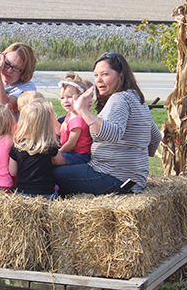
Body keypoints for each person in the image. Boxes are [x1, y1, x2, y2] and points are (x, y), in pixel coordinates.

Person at [53, 52, 162, 195]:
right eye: (96, 75)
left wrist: (82, 110)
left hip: (112, 176)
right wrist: (134, 159)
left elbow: (113, 134)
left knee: (47, 173)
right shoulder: (137, 98)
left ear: (121, 75)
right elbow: (156, 137)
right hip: (134, 180)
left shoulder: (119, 99)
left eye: (105, 74)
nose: (98, 80)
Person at [9, 101, 60, 199]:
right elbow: (60, 162)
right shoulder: (49, 145)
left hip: (22, 194)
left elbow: (13, 172)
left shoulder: (18, 145)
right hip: (46, 194)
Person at [53, 72, 94, 166]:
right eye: (62, 98)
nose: (65, 101)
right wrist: (51, 115)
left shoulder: (78, 119)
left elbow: (71, 144)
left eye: (69, 97)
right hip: (69, 152)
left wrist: (57, 153)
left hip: (79, 155)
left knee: (51, 161)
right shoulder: (71, 114)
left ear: (80, 98)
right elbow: (59, 130)